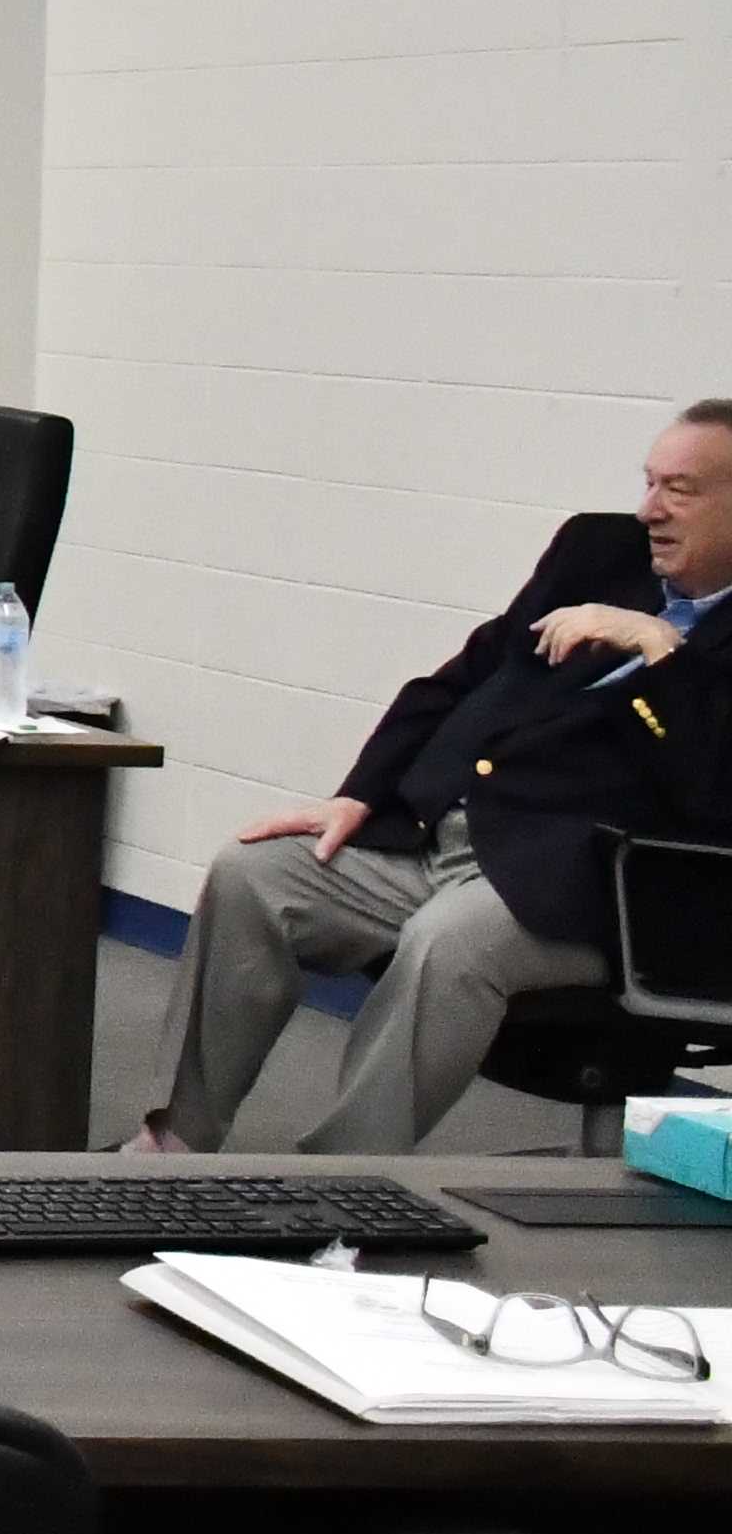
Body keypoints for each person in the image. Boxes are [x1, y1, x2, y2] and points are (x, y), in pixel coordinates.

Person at [142, 402, 732, 1156]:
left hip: (602, 890)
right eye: (648, 483)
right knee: (254, 873)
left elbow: (711, 788)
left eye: (679, 490)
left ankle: (341, 1184)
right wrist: (358, 796)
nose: (650, 510)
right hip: (446, 836)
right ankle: (172, 1147)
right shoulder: (599, 551)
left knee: (446, 947)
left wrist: (658, 648)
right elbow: (462, 680)